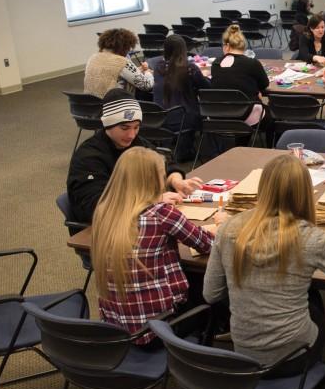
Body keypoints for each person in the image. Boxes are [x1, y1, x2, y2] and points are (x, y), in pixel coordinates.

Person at [202, 155, 325, 371]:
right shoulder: (313, 239)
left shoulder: (228, 229)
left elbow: (211, 294)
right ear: (306, 192)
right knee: (314, 301)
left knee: (308, 294)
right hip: (292, 358)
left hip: (243, 355)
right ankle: (315, 376)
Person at [91, 147, 224, 346]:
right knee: (212, 292)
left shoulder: (104, 212)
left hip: (117, 327)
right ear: (154, 180)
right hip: (159, 330)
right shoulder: (161, 214)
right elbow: (211, 245)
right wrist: (222, 226)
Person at [67, 89, 203, 224]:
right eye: (124, 128)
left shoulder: (137, 143)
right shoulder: (89, 157)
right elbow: (96, 206)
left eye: (136, 127)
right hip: (105, 230)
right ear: (107, 124)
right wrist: (152, 200)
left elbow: (164, 163)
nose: (131, 135)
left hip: (134, 219)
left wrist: (175, 180)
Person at [149, 35, 210, 162]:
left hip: (161, 119)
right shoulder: (189, 69)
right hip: (184, 118)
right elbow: (206, 88)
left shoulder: (158, 67)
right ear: (183, 49)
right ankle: (195, 150)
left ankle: (182, 147)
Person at [209, 24, 272, 146]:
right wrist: (255, 91)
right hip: (245, 115)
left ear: (227, 46)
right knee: (272, 116)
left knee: (242, 104)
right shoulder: (252, 63)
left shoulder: (216, 64)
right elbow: (265, 84)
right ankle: (270, 148)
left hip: (219, 115)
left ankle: (237, 146)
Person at [84, 28, 154, 97]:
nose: (128, 51)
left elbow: (115, 72)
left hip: (91, 103)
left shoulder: (93, 57)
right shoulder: (121, 62)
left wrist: (139, 70)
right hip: (112, 105)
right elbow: (146, 85)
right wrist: (148, 73)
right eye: (129, 48)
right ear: (124, 47)